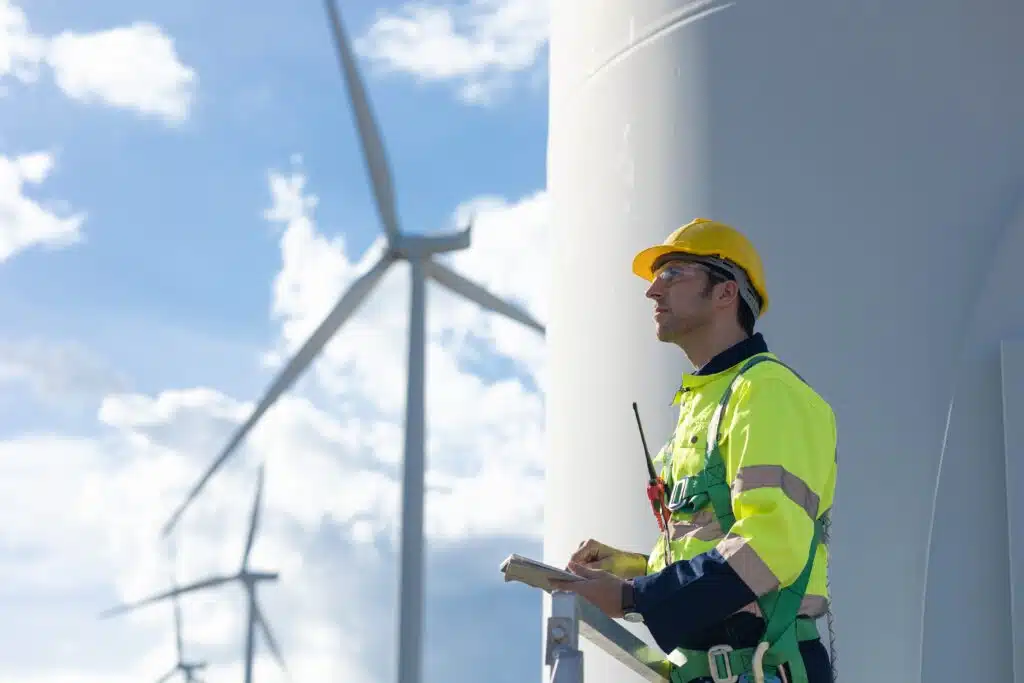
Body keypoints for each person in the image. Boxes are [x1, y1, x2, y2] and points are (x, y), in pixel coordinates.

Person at [549, 218, 837, 683]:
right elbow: (721, 546)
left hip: (762, 668)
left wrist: (634, 596)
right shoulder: (707, 401)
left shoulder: (767, 391)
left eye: (673, 273)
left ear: (726, 293)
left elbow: (771, 546)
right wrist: (632, 569)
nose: (652, 292)